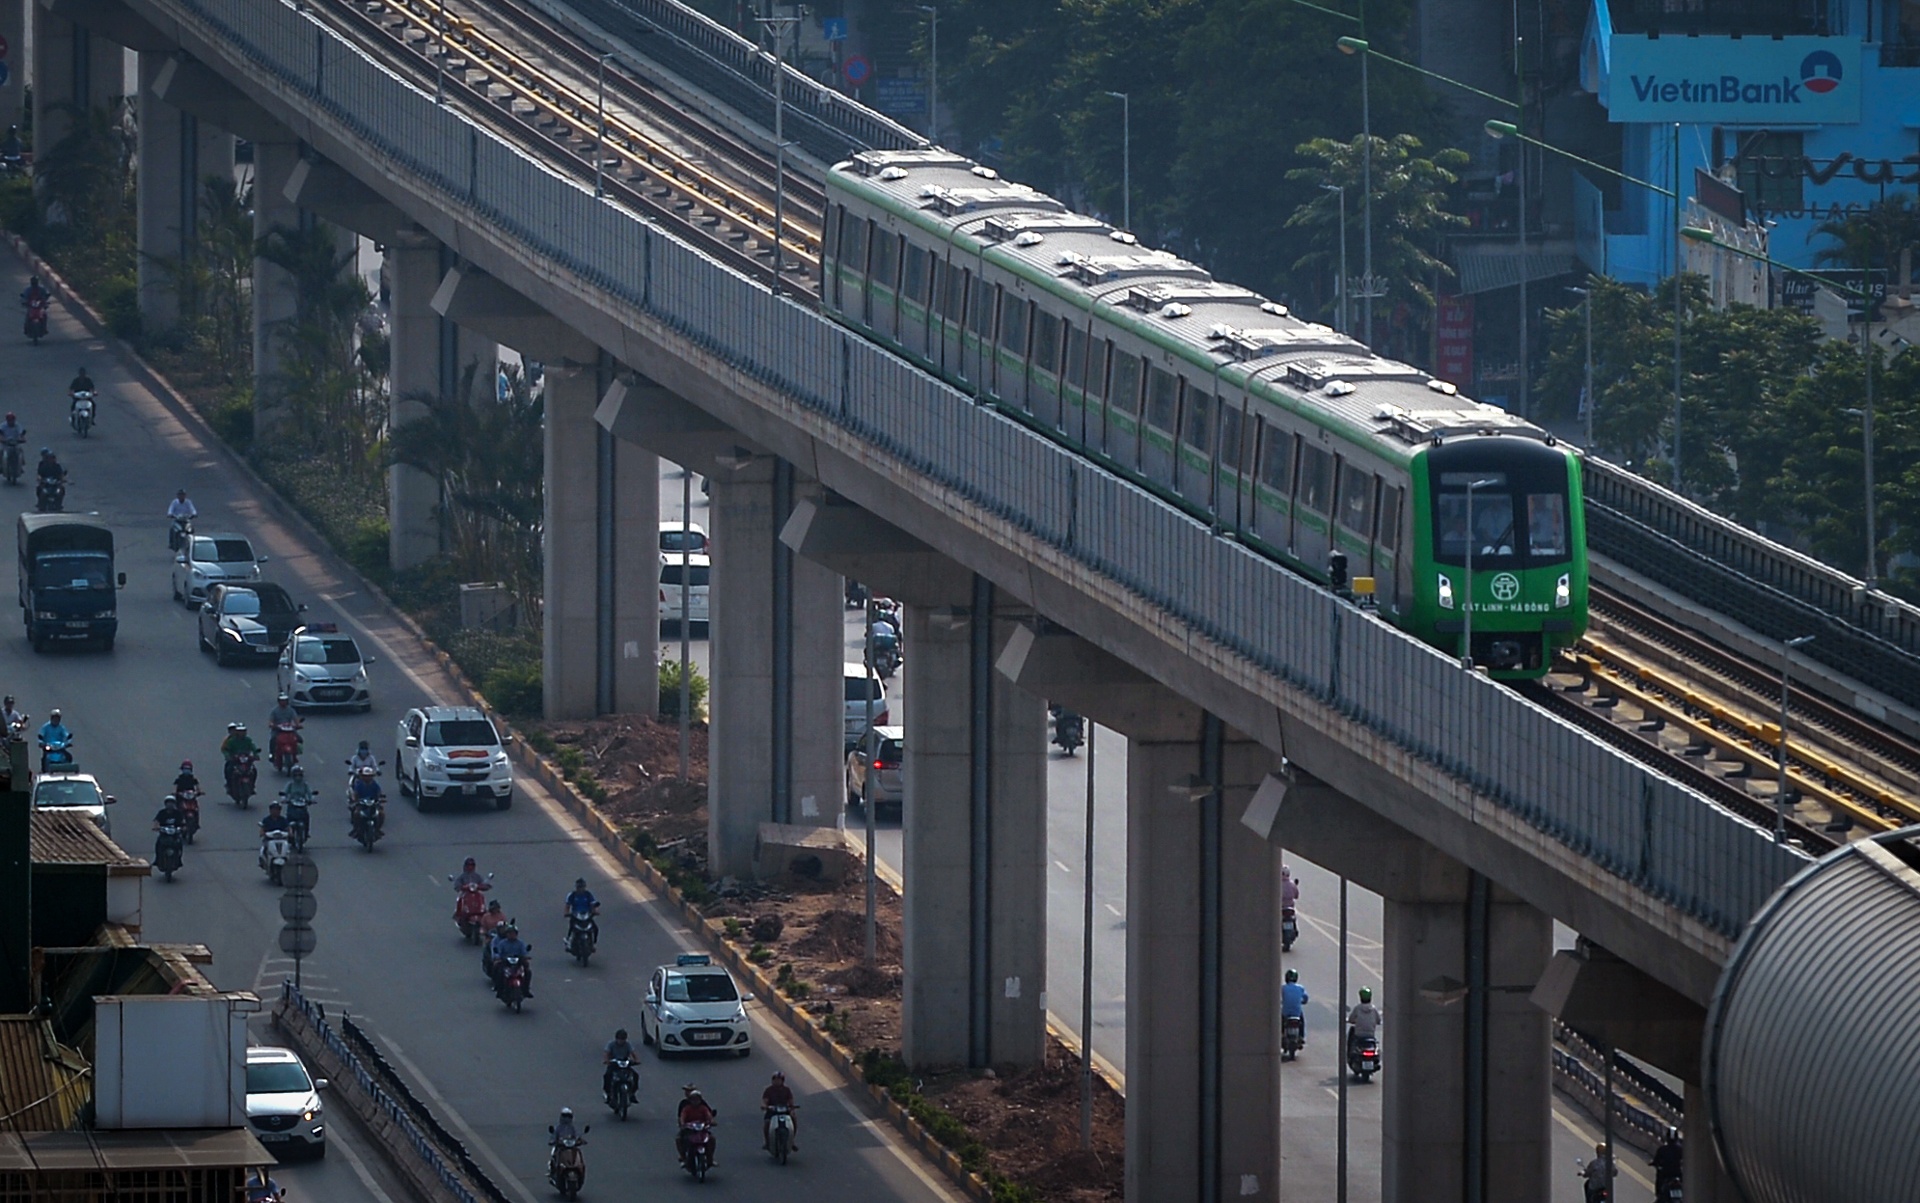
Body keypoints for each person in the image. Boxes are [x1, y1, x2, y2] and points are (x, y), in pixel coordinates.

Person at [677, 1085, 717, 1167]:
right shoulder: (685, 1106)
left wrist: (711, 1121)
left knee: (711, 1139)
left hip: (701, 1129)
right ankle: (683, 1157)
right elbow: (681, 1117)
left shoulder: (703, 1107)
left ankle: (710, 1158)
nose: (695, 1101)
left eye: (697, 1099)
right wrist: (683, 1124)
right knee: (679, 1139)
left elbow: (708, 1115)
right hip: (689, 1129)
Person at [489, 922, 532, 997]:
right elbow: (498, 952)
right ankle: (498, 988)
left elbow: (524, 952)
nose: (512, 935)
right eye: (510, 933)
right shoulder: (502, 943)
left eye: (513, 933)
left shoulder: (520, 943)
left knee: (528, 972)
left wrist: (525, 957)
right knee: (498, 970)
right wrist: (498, 957)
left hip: (518, 962)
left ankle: (526, 989)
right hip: (505, 962)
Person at [761, 1070, 797, 1152]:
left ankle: (792, 1141)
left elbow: (791, 1101)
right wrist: (765, 1106)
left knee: (794, 1120)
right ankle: (767, 1142)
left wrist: (792, 1109)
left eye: (779, 1080)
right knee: (767, 1123)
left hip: (784, 1111)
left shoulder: (787, 1090)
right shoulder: (768, 1090)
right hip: (772, 1111)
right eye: (775, 1079)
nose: (777, 1081)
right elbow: (765, 1101)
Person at [1346, 986, 1382, 1060]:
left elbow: (1351, 1019)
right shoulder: (1374, 1009)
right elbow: (1378, 1020)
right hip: (1371, 1035)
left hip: (1359, 1035)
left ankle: (1349, 1057)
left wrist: (1350, 1020)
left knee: (1351, 1038)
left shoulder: (1358, 1008)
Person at [602, 1029, 636, 1101]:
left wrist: (636, 1060)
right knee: (607, 1075)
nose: (621, 1041)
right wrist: (607, 1061)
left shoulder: (627, 1045)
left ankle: (632, 1093)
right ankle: (608, 1093)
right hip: (614, 1064)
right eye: (620, 1039)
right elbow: (606, 1053)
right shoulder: (611, 1044)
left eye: (623, 1039)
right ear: (616, 1038)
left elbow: (633, 1053)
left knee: (635, 1075)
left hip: (625, 1064)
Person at [1650, 1127, 1682, 1193]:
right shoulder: (1681, 1150)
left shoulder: (1662, 1149)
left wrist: (1654, 1163)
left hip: (1666, 1174)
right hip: (1678, 1174)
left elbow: (1656, 1160)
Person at [1280, 968, 1309, 1042]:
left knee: (1281, 1022)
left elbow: (1278, 997)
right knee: (1301, 1021)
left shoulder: (1283, 988)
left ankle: (1282, 1034)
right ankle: (1301, 1036)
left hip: (1286, 1012)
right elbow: (1305, 998)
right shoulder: (1300, 988)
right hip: (1297, 1012)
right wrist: (1302, 1002)